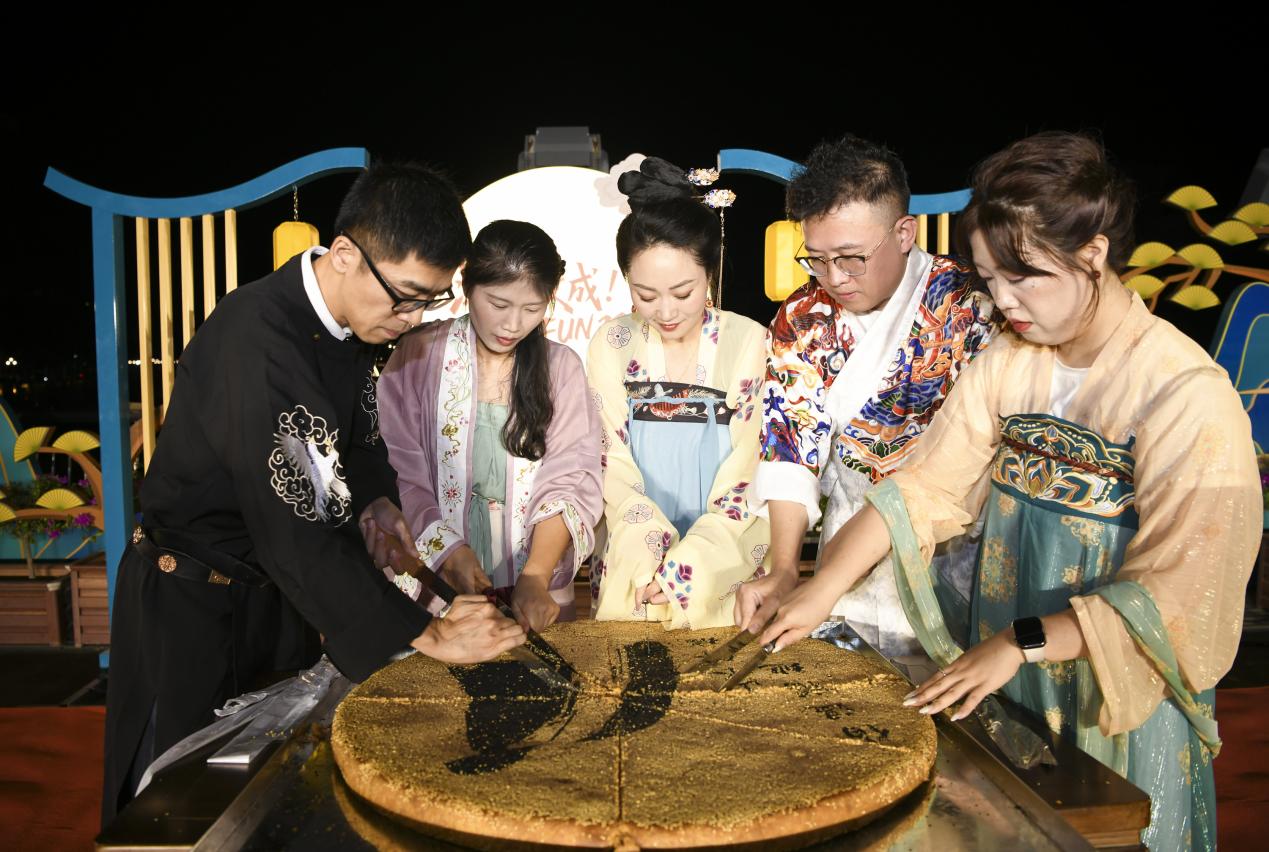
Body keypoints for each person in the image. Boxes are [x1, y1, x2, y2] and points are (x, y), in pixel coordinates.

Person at [760, 132, 1260, 851]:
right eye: (990, 279)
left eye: (1023, 279)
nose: (1002, 302)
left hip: (1105, 683)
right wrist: (817, 588)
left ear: (1091, 254)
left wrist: (1020, 642)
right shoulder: (1011, 360)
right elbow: (921, 490)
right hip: (1002, 666)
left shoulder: (1185, 393)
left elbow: (1180, 593)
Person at [102, 164, 525, 824]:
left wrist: (379, 506)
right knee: (179, 807)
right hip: (191, 605)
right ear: (346, 254)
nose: (412, 318)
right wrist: (430, 633)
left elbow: (359, 442)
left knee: (275, 791)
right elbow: (297, 528)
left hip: (275, 598)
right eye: (405, 297)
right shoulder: (259, 337)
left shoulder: (352, 326)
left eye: (430, 301)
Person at [736, 135, 998, 655]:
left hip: (955, 551)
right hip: (844, 558)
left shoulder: (970, 305)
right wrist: (786, 569)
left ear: (904, 233)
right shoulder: (803, 317)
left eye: (851, 258)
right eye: (817, 259)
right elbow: (790, 446)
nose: (835, 278)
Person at [377, 220, 603, 628]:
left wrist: (536, 574)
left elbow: (570, 477)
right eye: (498, 304)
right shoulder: (419, 354)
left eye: (532, 309)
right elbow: (399, 470)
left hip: (532, 570)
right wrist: (448, 552)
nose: (513, 325)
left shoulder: (560, 367)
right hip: (432, 565)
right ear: (467, 284)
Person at [588, 157, 769, 629]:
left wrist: (690, 568)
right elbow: (611, 460)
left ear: (710, 272)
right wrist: (649, 551)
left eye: (683, 292)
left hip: (722, 553)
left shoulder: (748, 341)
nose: (665, 311)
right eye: (645, 295)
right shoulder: (613, 343)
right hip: (635, 551)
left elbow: (748, 470)